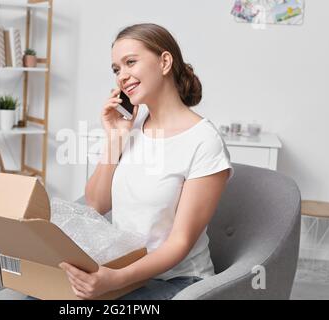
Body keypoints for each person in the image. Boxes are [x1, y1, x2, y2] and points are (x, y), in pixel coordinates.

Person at [58, 23, 234, 300]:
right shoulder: (130, 125)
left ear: (164, 62)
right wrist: (115, 137)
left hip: (177, 280)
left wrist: (115, 280)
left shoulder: (204, 141)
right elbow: (97, 204)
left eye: (130, 62)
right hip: (124, 271)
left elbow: (180, 242)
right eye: (116, 69)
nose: (122, 76)